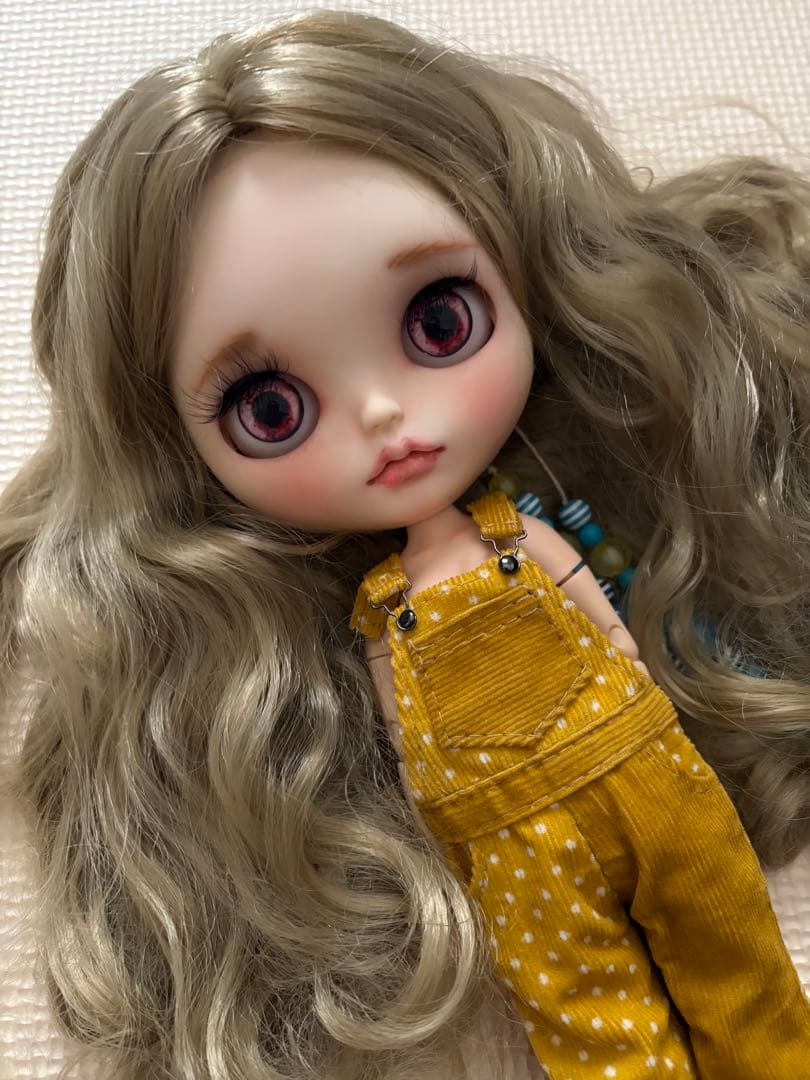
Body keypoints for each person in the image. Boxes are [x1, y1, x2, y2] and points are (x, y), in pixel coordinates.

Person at [1, 9, 808, 1079]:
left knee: (728, 941)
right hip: (506, 833)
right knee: (589, 1012)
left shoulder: (529, 531)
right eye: (271, 409)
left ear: (527, 267)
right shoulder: (379, 610)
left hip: (639, 753)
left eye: (439, 320)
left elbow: (599, 613)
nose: (385, 416)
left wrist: (641, 680)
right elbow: (400, 728)